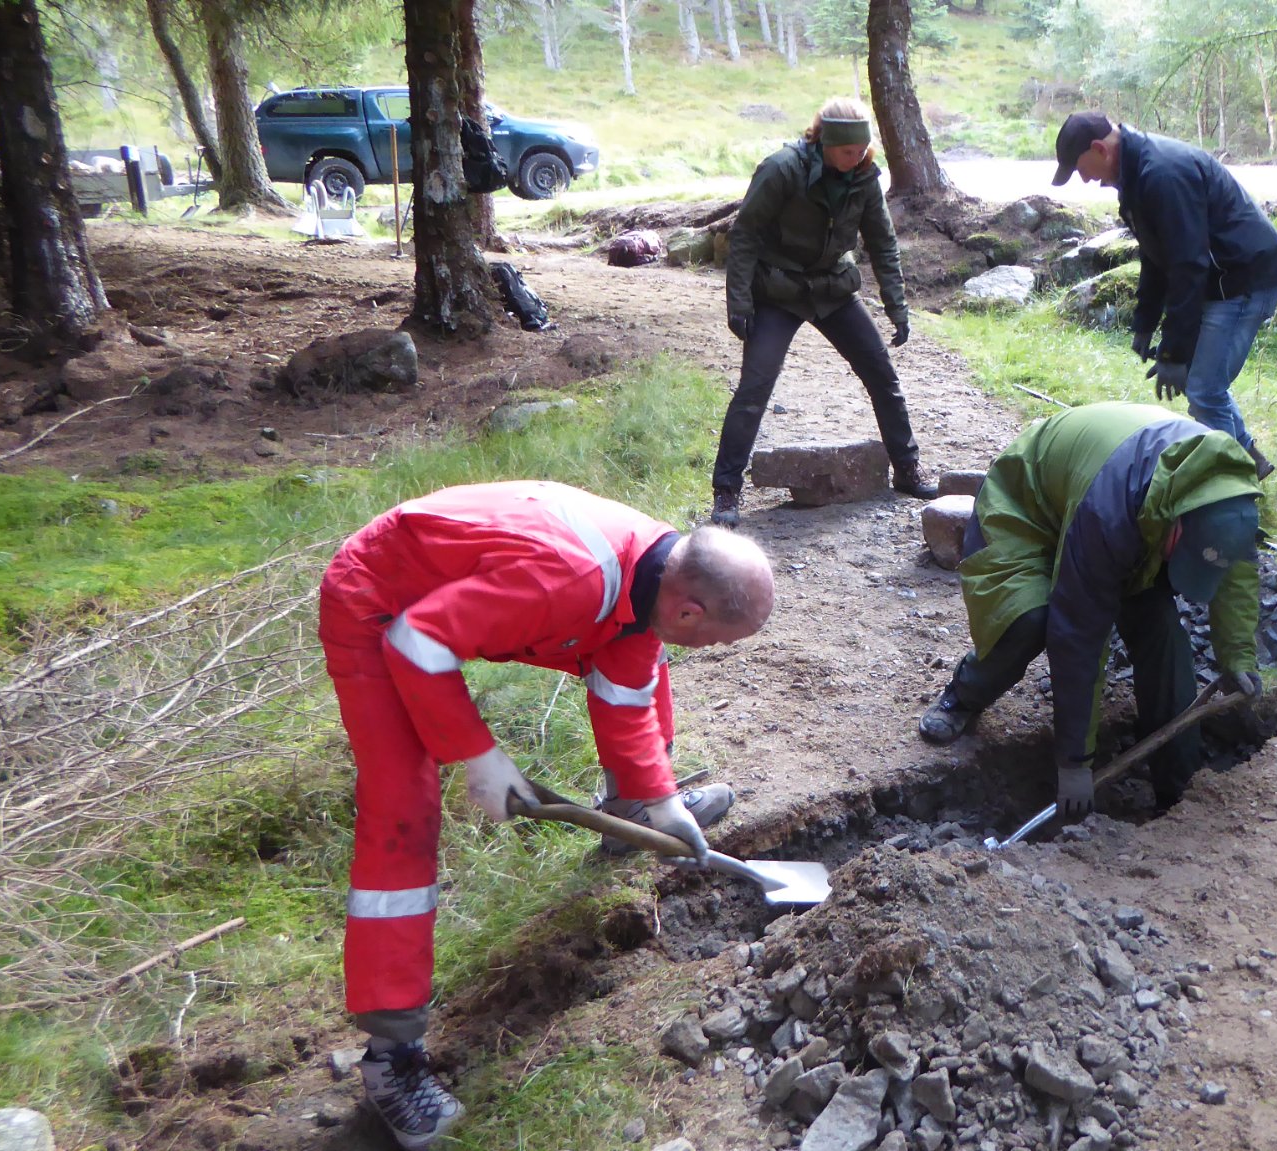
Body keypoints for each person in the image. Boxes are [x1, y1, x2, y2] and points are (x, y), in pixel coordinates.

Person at [317, 481, 775, 1148]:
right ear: (688, 609)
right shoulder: (579, 578)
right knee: (402, 810)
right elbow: (417, 643)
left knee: (643, 672)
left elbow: (625, 686)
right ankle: (392, 1056)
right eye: (714, 638)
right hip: (382, 602)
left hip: (485, 593)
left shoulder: (655, 571)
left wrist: (662, 799)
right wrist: (478, 757)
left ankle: (632, 809)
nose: (711, 648)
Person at [918, 402, 1265, 814]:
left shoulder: (1231, 501)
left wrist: (1238, 656)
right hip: (1029, 510)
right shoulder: (1109, 514)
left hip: (1129, 514)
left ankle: (1179, 788)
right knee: (1030, 619)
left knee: (1165, 636)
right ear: (1176, 529)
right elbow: (1079, 636)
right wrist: (1074, 763)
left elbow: (1237, 576)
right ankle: (964, 695)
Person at [713, 96, 939, 527]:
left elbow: (882, 242)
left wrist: (897, 305)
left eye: (862, 151)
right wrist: (739, 301)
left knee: (881, 373)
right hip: (778, 290)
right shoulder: (781, 169)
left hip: (833, 288)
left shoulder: (865, 177)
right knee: (755, 386)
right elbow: (745, 235)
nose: (857, 158)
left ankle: (907, 470)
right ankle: (726, 490)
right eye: (848, 151)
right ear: (825, 142)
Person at [1051, 111, 1277, 479]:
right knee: (1206, 387)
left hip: (1245, 278)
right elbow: (1156, 255)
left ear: (1100, 149)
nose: (1084, 179)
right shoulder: (1135, 173)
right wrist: (1146, 320)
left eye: (1080, 169)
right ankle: (1248, 459)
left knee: (1203, 390)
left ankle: (1230, 494)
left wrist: (1174, 353)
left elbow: (1188, 265)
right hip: (1221, 276)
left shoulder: (1162, 174)